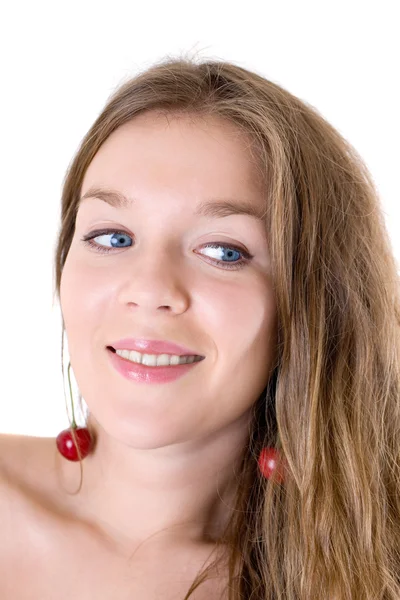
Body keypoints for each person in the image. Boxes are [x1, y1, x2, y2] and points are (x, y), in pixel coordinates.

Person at [1, 56, 399, 600]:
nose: (151, 289)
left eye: (222, 250)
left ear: (316, 302)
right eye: (113, 237)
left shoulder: (373, 571)